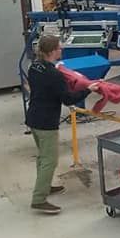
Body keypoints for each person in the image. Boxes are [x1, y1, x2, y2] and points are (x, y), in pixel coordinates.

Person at [25, 34, 97, 215]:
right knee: (50, 160)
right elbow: (67, 99)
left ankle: (45, 185)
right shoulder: (54, 74)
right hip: (46, 123)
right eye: (59, 47)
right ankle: (39, 199)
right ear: (51, 51)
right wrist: (88, 90)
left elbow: (47, 88)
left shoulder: (34, 67)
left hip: (33, 118)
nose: (61, 49)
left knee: (43, 157)